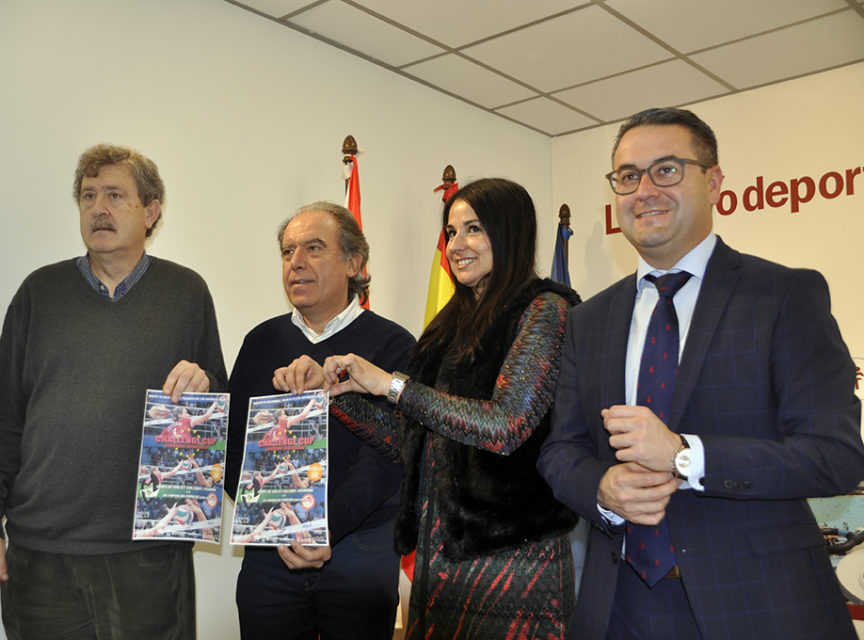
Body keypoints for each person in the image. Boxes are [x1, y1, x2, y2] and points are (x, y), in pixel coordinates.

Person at [538, 107, 864, 639]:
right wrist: (601, 486)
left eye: (666, 170)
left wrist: (685, 455)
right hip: (616, 604)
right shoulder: (586, 319)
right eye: (628, 176)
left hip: (757, 605)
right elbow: (560, 451)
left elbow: (836, 455)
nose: (644, 189)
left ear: (713, 182)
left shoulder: (785, 296)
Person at [277, 178, 581, 639]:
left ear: (510, 232)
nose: (457, 245)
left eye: (473, 229)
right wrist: (340, 396)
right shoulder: (448, 325)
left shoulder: (543, 309)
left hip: (514, 559)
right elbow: (412, 439)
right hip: (439, 557)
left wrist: (392, 384)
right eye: (451, 232)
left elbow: (505, 425)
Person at [0, 143, 228, 639]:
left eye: (113, 195)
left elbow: (220, 400)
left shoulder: (187, 293)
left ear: (150, 212)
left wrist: (206, 382)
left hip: (148, 555)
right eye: (87, 197)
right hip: (41, 552)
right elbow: (2, 417)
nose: (98, 209)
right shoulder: (38, 293)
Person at [223, 201, 415, 640]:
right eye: (288, 251)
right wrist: (274, 520)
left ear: (353, 262)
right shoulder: (260, 341)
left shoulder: (392, 344)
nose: (296, 263)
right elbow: (233, 445)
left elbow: (388, 457)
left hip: (358, 548)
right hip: (272, 554)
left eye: (313, 248)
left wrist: (323, 527)